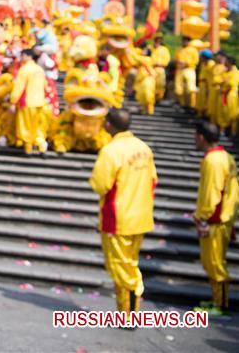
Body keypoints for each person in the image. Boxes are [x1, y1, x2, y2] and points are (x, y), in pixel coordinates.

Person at [89, 108, 157, 313]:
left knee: (121, 267)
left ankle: (130, 313)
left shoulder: (111, 151)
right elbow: (153, 181)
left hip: (119, 218)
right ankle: (125, 310)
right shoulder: (144, 148)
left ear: (109, 124)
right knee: (129, 263)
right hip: (141, 216)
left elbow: (99, 185)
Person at [192, 121, 238, 317]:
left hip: (215, 220)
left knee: (214, 263)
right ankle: (216, 299)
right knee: (213, 261)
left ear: (202, 137)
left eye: (195, 136)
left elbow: (212, 194)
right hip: (223, 217)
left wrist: (202, 217)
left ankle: (221, 304)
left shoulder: (212, 160)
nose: (194, 139)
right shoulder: (225, 157)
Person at [9, 47, 48, 154]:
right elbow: (45, 85)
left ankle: (28, 147)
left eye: (23, 56)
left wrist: (13, 101)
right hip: (40, 101)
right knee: (37, 126)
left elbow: (19, 86)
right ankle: (41, 144)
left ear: (28, 56)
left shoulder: (25, 69)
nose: (21, 58)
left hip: (28, 102)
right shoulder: (39, 69)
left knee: (26, 125)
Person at [174, 37, 199, 108]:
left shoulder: (193, 50)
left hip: (189, 69)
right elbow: (176, 59)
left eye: (186, 41)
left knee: (190, 88)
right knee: (178, 88)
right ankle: (182, 104)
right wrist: (179, 62)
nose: (184, 42)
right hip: (180, 70)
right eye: (183, 41)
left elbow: (196, 61)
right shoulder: (179, 50)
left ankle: (192, 105)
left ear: (189, 42)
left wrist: (186, 63)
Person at [151, 35, 170, 101]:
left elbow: (167, 60)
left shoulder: (164, 49)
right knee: (151, 84)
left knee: (160, 84)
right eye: (157, 39)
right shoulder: (150, 48)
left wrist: (161, 64)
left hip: (160, 68)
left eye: (159, 39)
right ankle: (151, 97)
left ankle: (159, 98)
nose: (158, 41)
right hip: (151, 69)